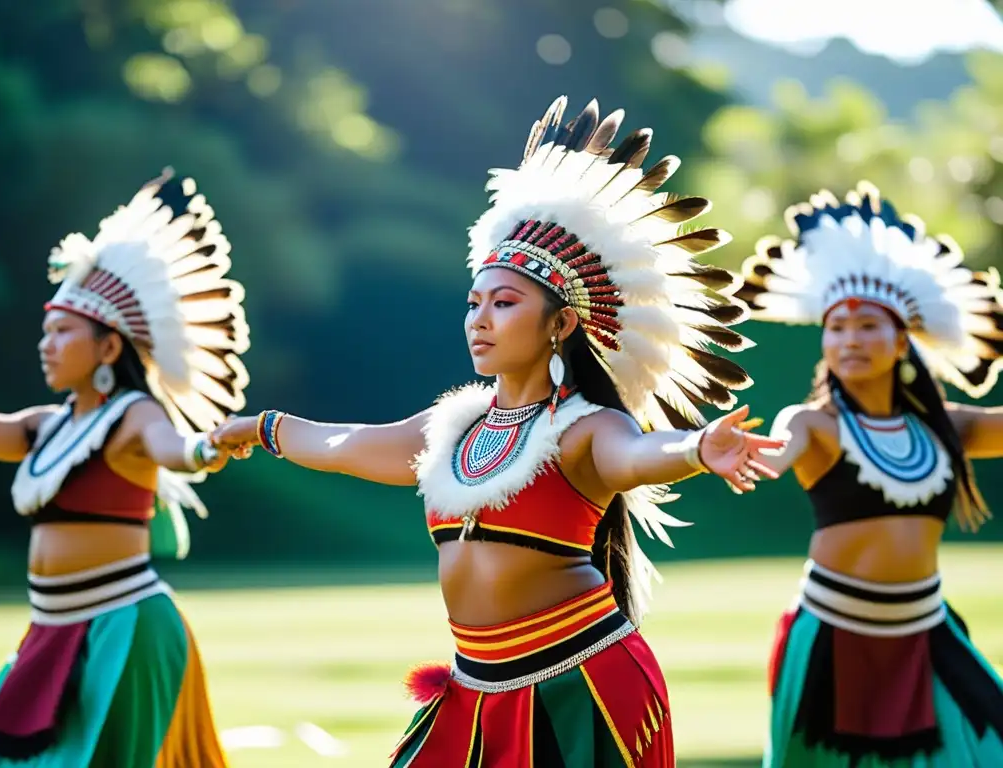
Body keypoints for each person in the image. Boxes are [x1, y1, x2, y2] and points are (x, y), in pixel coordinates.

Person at [211, 95, 784, 766]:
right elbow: (348, 445)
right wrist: (263, 427)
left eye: (505, 303)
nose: (480, 319)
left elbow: (636, 457)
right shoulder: (451, 427)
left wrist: (694, 448)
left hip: (578, 683)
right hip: (474, 688)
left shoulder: (585, 428)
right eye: (474, 303)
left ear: (561, 323)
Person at [0, 169, 251, 767]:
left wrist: (207, 448)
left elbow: (173, 447)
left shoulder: (133, 416)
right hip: (49, 628)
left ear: (107, 347)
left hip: (122, 626)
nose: (46, 345)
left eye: (62, 332)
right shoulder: (44, 426)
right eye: (44, 332)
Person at [735, 181, 1003, 767]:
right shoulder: (814, 424)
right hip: (834, 638)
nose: (850, 340)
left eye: (868, 327)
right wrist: (749, 455)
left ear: (903, 340)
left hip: (928, 634)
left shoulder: (949, 428)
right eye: (836, 328)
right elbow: (779, 450)